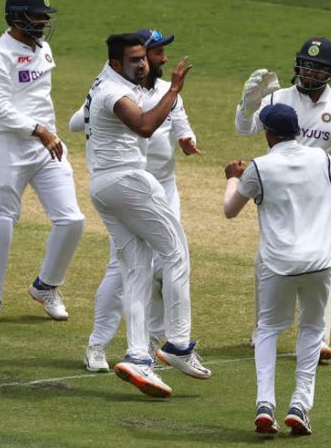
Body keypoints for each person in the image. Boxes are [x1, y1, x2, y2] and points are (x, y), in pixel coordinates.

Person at [234, 37, 331, 361]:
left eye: (317, 67)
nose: (309, 72)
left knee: (327, 259)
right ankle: (263, 328)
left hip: (325, 198)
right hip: (280, 194)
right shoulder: (277, 97)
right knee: (266, 259)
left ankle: (319, 336)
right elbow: (244, 129)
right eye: (305, 64)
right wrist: (246, 105)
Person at [84, 33, 210, 398]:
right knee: (175, 252)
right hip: (128, 181)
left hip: (105, 185)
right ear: (115, 63)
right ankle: (178, 344)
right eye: (134, 60)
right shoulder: (112, 91)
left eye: (143, 58)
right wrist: (173, 91)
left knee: (137, 268)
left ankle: (138, 357)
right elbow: (144, 126)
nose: (142, 65)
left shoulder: (110, 82)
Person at [224, 103, 331, 435]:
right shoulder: (322, 159)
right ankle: (299, 406)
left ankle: (265, 405)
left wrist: (232, 179)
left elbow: (230, 210)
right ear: (297, 129)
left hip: (278, 265)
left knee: (269, 330)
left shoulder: (259, 167)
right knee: (312, 330)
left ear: (268, 133)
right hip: (320, 263)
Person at [0, 0, 84, 322]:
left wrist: (46, 133)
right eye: (37, 15)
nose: (43, 21)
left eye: (45, 16)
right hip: (10, 144)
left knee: (72, 220)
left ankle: (46, 286)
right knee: (1, 218)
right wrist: (39, 129)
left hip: (47, 146)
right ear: (16, 17)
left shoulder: (44, 48)